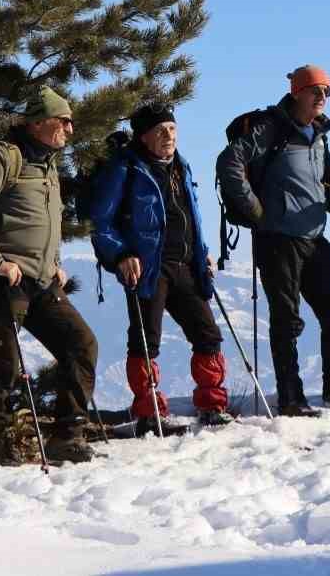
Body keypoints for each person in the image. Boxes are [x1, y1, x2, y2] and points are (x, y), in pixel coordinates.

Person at [0, 87, 100, 464]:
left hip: (41, 279)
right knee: (3, 362)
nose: (70, 128)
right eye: (63, 120)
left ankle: (67, 435)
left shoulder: (48, 164)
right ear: (39, 122)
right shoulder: (4, 156)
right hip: (4, 278)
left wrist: (54, 262)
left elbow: (44, 223)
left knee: (80, 344)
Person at [215, 65, 330, 416]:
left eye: (327, 92)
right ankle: (290, 397)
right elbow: (229, 162)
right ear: (297, 92)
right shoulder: (272, 128)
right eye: (316, 90)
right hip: (278, 239)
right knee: (287, 320)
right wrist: (253, 207)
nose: (322, 98)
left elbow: (322, 183)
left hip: (313, 237)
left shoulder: (319, 134)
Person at [88, 103, 233, 433]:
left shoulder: (182, 166)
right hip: (146, 266)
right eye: (160, 131)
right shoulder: (126, 169)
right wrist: (121, 255)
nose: (169, 135)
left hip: (185, 263)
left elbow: (190, 216)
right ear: (143, 137)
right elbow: (101, 221)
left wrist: (203, 252)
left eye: (172, 129)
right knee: (145, 339)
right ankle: (149, 412)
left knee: (207, 334)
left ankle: (212, 404)